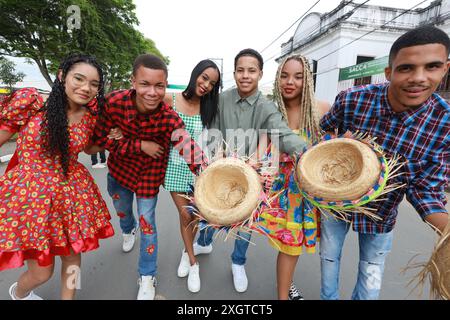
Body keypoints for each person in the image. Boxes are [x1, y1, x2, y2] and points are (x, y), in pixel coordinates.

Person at [319, 25, 450, 300]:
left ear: (445, 68)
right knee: (329, 259)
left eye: (432, 67)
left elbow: (427, 189)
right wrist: (334, 149)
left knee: (371, 273)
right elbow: (326, 130)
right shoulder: (353, 99)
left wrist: (446, 228)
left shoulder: (444, 123)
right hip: (335, 202)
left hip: (382, 213)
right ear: (389, 72)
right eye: (406, 68)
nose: (418, 78)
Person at [88, 54, 205, 300]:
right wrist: (140, 145)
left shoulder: (169, 118)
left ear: (165, 86)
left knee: (148, 225)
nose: (152, 92)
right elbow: (97, 143)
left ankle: (147, 277)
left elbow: (189, 148)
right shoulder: (113, 103)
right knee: (122, 210)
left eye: (159, 86)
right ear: (133, 82)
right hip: (119, 172)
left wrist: (210, 174)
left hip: (148, 180)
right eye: (145, 84)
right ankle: (127, 229)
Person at [0, 54, 115, 300]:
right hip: (29, 199)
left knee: (73, 256)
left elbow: (89, 149)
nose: (86, 88)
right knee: (42, 272)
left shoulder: (90, 117)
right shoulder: (32, 103)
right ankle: (19, 294)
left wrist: (112, 138)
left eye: (94, 84)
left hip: (71, 195)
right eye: (79, 78)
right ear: (62, 76)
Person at [194, 48, 308, 293]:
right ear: (234, 73)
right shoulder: (222, 99)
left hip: (252, 175)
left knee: (246, 223)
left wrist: (307, 152)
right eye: (241, 70)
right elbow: (212, 131)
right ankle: (203, 243)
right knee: (208, 209)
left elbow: (282, 134)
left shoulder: (267, 108)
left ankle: (238, 262)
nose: (245, 76)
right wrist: (215, 159)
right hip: (219, 168)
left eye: (252, 71)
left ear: (260, 74)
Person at [258, 54, 330, 300]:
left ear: (307, 80)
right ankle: (283, 296)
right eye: (284, 76)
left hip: (311, 194)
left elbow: (336, 149)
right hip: (283, 195)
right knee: (289, 247)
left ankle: (287, 284)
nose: (290, 82)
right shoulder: (270, 112)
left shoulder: (322, 110)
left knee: (296, 247)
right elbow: (260, 154)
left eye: (298, 76)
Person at [163, 60, 220, 293]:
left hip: (198, 171)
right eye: (204, 77)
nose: (206, 85)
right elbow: (140, 102)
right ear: (195, 74)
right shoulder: (171, 99)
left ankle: (187, 252)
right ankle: (193, 263)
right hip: (174, 170)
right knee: (186, 214)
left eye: (212, 83)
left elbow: (210, 140)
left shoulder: (209, 108)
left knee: (194, 217)